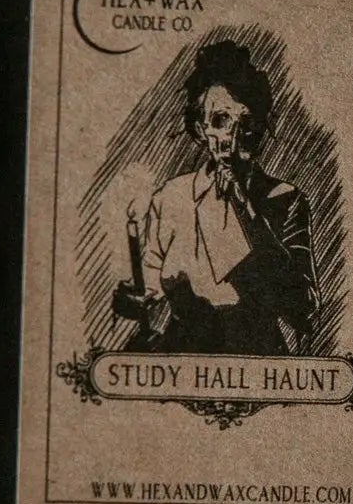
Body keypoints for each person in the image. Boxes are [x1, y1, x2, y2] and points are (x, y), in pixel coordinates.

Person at [114, 42, 319, 354]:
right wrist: (132, 298)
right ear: (200, 129)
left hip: (257, 360)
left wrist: (245, 210)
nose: (233, 138)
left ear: (262, 129)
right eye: (221, 121)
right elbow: (149, 282)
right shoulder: (172, 197)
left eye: (247, 123)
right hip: (184, 354)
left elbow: (302, 305)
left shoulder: (286, 200)